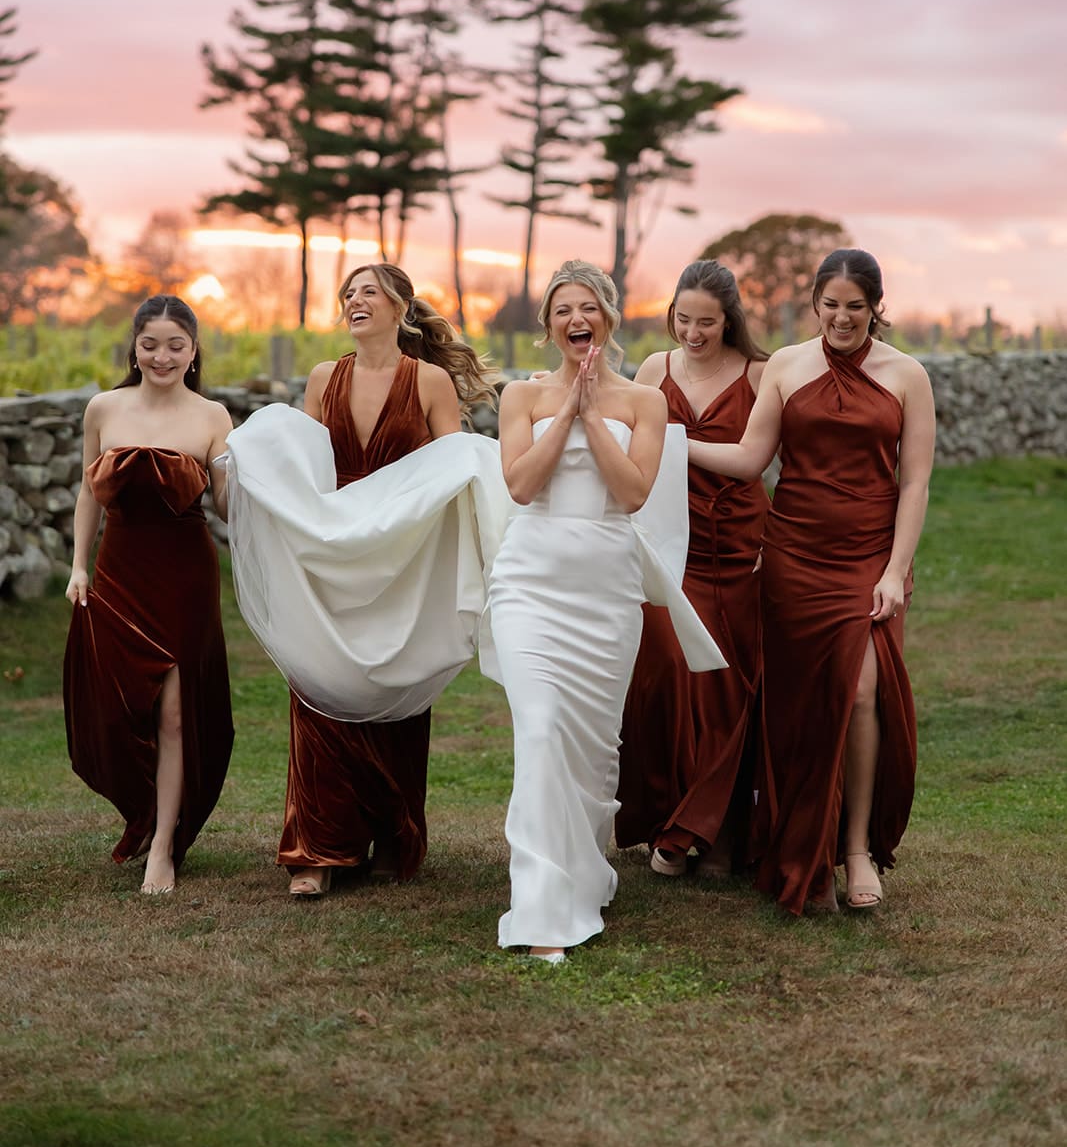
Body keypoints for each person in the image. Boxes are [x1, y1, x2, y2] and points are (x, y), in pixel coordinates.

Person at [486, 261, 725, 962]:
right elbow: (522, 485)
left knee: (591, 753)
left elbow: (631, 495)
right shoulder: (518, 398)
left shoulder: (643, 404)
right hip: (527, 586)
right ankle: (539, 909)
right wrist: (564, 410)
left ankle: (582, 874)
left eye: (586, 307)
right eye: (561, 310)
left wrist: (593, 411)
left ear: (609, 318)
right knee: (537, 732)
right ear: (548, 327)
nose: (574, 319)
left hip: (605, 594)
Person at [685, 249, 935, 914]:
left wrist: (894, 570)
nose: (841, 318)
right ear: (814, 304)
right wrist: (667, 440)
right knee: (796, 704)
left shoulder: (906, 375)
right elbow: (746, 460)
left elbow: (913, 481)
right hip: (792, 552)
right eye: (830, 305)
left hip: (866, 555)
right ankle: (794, 838)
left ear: (875, 307)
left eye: (855, 307)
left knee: (858, 694)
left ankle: (854, 849)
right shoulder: (787, 367)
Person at [265, 263, 498, 898]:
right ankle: (315, 848)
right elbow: (305, 466)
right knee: (318, 684)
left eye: (369, 291)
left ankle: (395, 835)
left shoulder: (428, 381)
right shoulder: (322, 379)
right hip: (336, 553)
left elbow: (453, 463)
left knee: (395, 685)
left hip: (403, 558)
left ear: (400, 307)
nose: (354, 300)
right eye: (348, 293)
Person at [63, 295, 234, 896]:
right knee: (115, 707)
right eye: (151, 344)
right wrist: (78, 565)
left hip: (185, 572)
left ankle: (163, 845)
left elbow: (226, 507)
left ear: (193, 352)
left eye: (176, 345)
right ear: (134, 349)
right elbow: (89, 494)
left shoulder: (213, 417)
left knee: (173, 713)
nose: (162, 356)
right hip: (119, 566)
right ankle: (143, 812)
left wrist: (246, 473)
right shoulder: (103, 408)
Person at [616, 260, 769, 878]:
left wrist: (674, 439)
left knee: (728, 688)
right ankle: (673, 821)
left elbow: (755, 461)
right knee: (666, 681)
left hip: (738, 547)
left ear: (728, 319)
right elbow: (627, 445)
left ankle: (719, 832)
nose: (693, 333)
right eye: (682, 319)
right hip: (668, 546)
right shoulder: (655, 370)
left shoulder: (761, 373)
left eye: (706, 322)